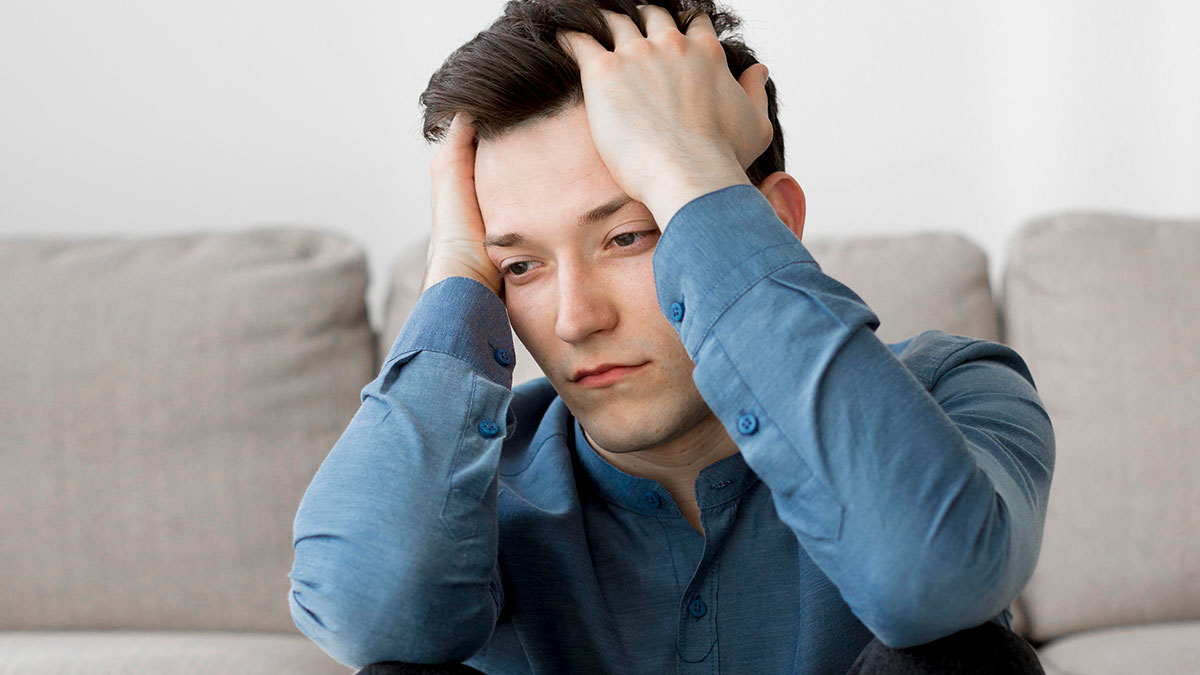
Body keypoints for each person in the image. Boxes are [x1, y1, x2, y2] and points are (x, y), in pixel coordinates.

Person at [288, 1, 1054, 673]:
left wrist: (687, 172)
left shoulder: (952, 392)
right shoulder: (465, 485)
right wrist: (457, 268)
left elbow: (929, 575)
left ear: (774, 220)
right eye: (520, 265)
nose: (574, 318)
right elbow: (368, 618)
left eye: (628, 236)